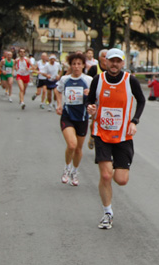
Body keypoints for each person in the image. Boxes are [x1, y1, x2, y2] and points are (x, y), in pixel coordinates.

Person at [86, 48, 146, 229]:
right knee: (105, 175)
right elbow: (90, 101)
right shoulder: (98, 80)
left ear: (122, 63)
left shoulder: (130, 80)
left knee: (121, 179)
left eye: (118, 61)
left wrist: (134, 121)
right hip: (101, 133)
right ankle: (107, 213)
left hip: (123, 136)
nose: (114, 64)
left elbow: (141, 100)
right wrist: (91, 110)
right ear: (106, 62)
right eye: (111, 61)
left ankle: (110, 177)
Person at [54, 53, 93, 187]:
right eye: (74, 64)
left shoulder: (88, 80)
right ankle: (66, 168)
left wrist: (90, 95)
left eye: (79, 64)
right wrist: (59, 104)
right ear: (70, 65)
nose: (76, 67)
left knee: (78, 149)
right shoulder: (65, 79)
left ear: (83, 65)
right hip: (67, 116)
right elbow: (57, 90)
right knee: (71, 144)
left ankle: (75, 172)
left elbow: (95, 97)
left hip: (82, 118)